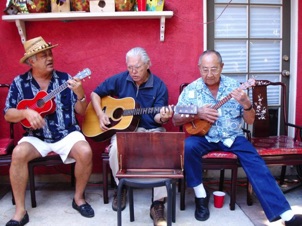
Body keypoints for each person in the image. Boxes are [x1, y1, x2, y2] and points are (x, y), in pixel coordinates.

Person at [172, 50, 302, 226]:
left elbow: (250, 120)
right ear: (199, 68)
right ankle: (201, 196)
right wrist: (197, 113)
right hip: (204, 136)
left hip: (233, 137)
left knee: (255, 161)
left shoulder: (235, 87)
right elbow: (175, 119)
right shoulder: (191, 90)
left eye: (213, 69)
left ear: (222, 67)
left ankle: (285, 214)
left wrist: (247, 104)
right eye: (204, 69)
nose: (209, 74)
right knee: (187, 147)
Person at [4, 36, 94, 226]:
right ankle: (20, 211)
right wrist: (26, 112)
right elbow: (8, 114)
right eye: (43, 55)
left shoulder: (65, 79)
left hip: (66, 133)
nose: (49, 58)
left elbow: (81, 111)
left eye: (50, 53)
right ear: (31, 61)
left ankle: (78, 199)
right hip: (36, 137)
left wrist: (80, 93)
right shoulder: (20, 83)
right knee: (18, 154)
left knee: (85, 151)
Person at [90, 47, 173, 226]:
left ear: (148, 64)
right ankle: (121, 188)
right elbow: (95, 94)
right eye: (130, 67)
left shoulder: (159, 85)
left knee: (163, 151)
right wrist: (100, 114)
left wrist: (164, 116)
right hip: (126, 131)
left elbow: (159, 117)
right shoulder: (121, 79)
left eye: (138, 67)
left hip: (152, 130)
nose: (133, 72)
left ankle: (158, 203)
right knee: (115, 151)